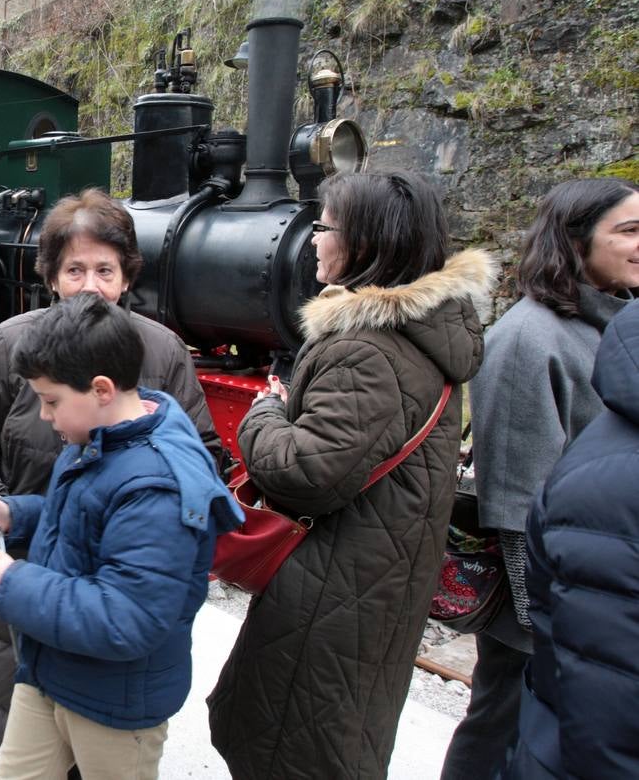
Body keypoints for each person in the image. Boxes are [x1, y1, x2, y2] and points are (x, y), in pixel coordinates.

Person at [206, 170, 496, 779]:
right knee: (341, 734)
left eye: (324, 226)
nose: (312, 239)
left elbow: (304, 474)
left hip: (331, 593)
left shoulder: (364, 348)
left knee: (294, 744)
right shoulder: (426, 334)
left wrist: (262, 412)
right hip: (378, 578)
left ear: (364, 244)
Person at [0, 187, 226, 749]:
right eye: (75, 270)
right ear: (51, 276)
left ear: (126, 278)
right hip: (19, 568)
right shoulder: (14, 344)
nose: (90, 285)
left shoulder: (161, 353)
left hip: (117, 578)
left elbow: (202, 458)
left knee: (97, 740)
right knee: (19, 733)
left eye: (105, 269)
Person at [0, 294, 240, 780]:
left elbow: (127, 616)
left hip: (114, 702)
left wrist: (10, 584)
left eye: (51, 401)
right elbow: (81, 516)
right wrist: (11, 513)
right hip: (49, 669)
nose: (45, 416)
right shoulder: (96, 436)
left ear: (102, 388)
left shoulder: (157, 486)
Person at [441, 177, 639, 779]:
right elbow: (514, 496)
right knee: (504, 724)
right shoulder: (530, 338)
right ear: (575, 241)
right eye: (629, 230)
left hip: (597, 587)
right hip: (545, 593)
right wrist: (538, 616)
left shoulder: (613, 321)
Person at [505, 300, 639, 778]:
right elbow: (515, 475)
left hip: (557, 571)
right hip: (542, 568)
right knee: (497, 709)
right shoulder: (530, 334)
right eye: (626, 231)